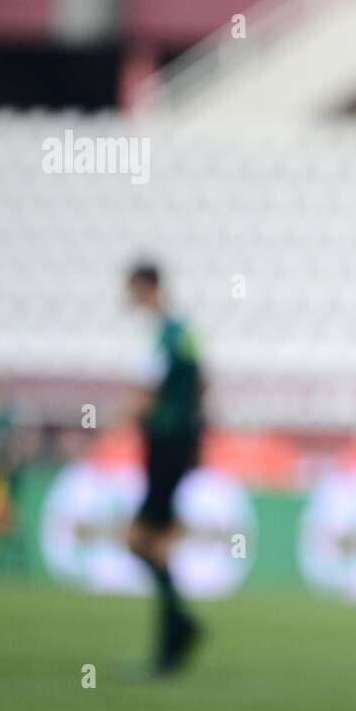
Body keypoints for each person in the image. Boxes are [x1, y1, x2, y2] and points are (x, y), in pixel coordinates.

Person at [125, 262, 204, 675]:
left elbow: (146, 395)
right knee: (156, 541)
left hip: (165, 446)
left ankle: (178, 629)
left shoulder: (162, 337)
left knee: (139, 539)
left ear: (147, 286)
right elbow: (204, 383)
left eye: (134, 290)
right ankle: (175, 634)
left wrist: (105, 429)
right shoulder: (186, 333)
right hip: (182, 445)